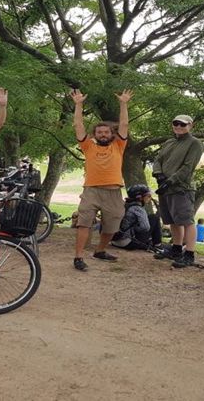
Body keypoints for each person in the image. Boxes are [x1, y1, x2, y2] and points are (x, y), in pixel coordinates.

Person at [70, 88, 132, 272]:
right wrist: (79, 105)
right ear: (95, 134)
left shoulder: (119, 145)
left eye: (106, 132)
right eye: (99, 132)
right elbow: (78, 126)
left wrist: (123, 104)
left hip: (113, 191)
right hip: (91, 190)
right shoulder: (88, 146)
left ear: (111, 134)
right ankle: (78, 257)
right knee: (84, 222)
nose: (103, 134)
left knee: (112, 224)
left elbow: (124, 125)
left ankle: (100, 250)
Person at [152, 114, 204, 268]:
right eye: (176, 123)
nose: (179, 127)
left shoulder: (195, 143)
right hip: (165, 187)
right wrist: (159, 175)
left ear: (190, 125)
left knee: (187, 221)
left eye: (183, 124)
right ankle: (175, 249)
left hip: (181, 187)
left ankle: (189, 254)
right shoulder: (169, 142)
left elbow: (188, 167)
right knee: (172, 220)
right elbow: (158, 160)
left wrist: (170, 181)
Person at [111, 184, 154, 250]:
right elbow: (145, 228)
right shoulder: (138, 208)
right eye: (148, 196)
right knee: (153, 218)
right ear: (140, 198)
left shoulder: (125, 204)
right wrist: (135, 228)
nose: (150, 198)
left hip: (114, 241)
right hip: (127, 243)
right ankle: (158, 244)